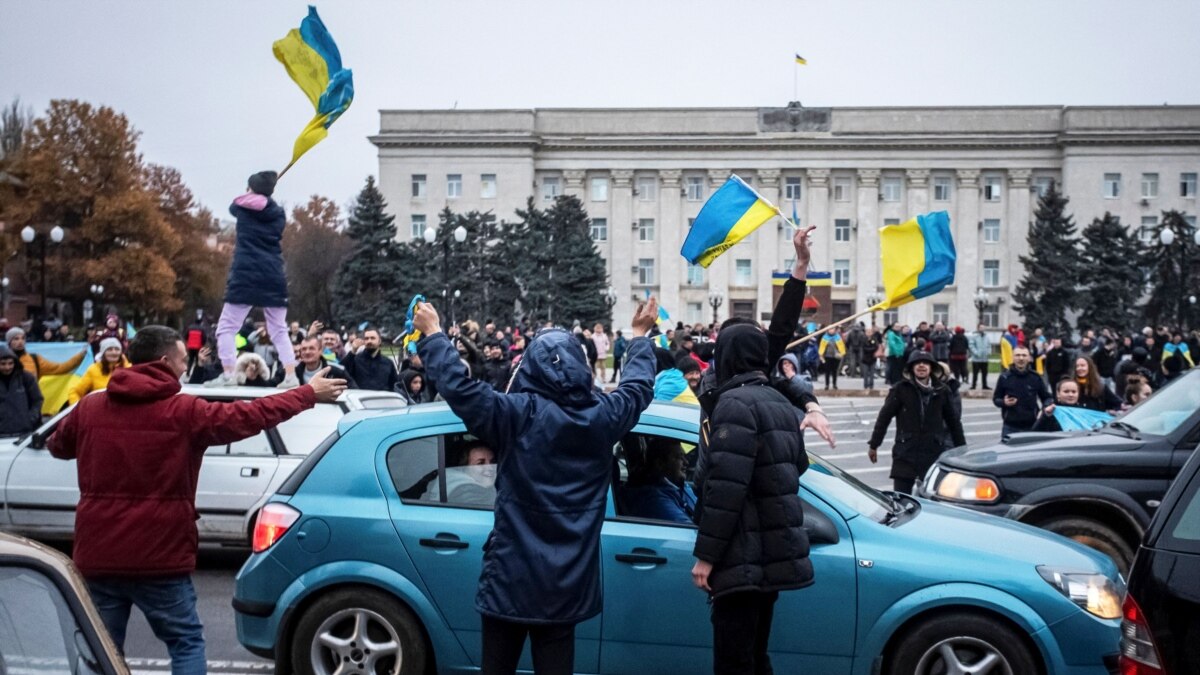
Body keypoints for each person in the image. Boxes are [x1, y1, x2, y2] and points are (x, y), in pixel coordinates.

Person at [47, 325, 346, 674]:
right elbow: (251, 415)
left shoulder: (92, 407)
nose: (185, 366)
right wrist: (307, 394)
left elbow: (58, 445)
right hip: (161, 555)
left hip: (98, 553)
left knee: (99, 648)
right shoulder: (185, 412)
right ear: (163, 361)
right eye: (181, 358)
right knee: (185, 641)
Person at [411, 297, 658, 675]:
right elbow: (638, 388)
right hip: (566, 585)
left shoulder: (517, 415)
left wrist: (433, 335)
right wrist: (640, 336)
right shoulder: (603, 418)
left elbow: (461, 390)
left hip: (509, 577)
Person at [691, 313, 813, 675]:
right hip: (769, 554)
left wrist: (706, 557)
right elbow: (797, 464)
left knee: (734, 661)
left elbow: (725, 489)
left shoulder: (733, 405)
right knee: (756, 657)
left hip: (740, 554)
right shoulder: (777, 402)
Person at [207, 171, 300, 389]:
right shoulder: (278, 213)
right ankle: (290, 375)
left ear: (251, 188)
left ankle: (229, 374)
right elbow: (260, 204)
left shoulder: (242, 207)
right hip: (273, 274)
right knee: (278, 328)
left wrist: (251, 192)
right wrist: (263, 194)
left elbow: (233, 206)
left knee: (227, 327)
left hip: (245, 274)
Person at [867, 351, 966, 494]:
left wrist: (962, 450)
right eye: (917, 363)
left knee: (933, 497)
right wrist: (874, 444)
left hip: (932, 452)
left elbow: (954, 423)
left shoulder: (942, 391)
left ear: (931, 368)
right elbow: (884, 417)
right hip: (905, 452)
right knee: (900, 499)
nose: (921, 366)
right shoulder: (900, 389)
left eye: (925, 363)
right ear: (911, 368)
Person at [622, 437, 696, 524]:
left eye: (684, 456)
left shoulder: (679, 485)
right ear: (660, 464)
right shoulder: (654, 498)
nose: (686, 462)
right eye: (679, 457)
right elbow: (688, 528)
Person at [993, 346, 1053, 439]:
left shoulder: (1035, 377)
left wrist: (1044, 409)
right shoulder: (1004, 377)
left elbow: (1047, 397)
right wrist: (1004, 402)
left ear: (1029, 358)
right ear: (1013, 357)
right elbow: (996, 399)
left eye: (1024, 355)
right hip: (1010, 426)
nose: (1021, 358)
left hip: (1032, 426)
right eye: (1017, 355)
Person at [423, 443, 498, 507]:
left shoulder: (448, 480)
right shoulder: (467, 492)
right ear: (465, 468)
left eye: (493, 462)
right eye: (480, 463)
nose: (490, 467)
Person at [7, 326, 88, 384]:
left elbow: (59, 368)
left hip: (28, 404)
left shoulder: (34, 359)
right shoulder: (3, 359)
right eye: (16, 339)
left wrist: (80, 355)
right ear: (9, 342)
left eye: (23, 338)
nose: (20, 341)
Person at [69, 337, 129, 404]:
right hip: (101, 411)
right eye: (109, 349)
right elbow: (74, 392)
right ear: (103, 353)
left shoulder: (129, 368)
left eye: (117, 349)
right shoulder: (94, 369)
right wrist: (78, 409)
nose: (114, 352)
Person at [279, 336, 356, 388]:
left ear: (320, 351)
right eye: (304, 349)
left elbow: (354, 391)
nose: (307, 352)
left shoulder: (337, 371)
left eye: (311, 348)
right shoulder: (292, 371)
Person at [0, 344, 43, 438]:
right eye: (3, 364)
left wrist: (30, 419)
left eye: (10, 363)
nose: (7, 367)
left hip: (24, 434)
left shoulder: (26, 378)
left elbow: (37, 400)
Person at [340, 328, 398, 392]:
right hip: (359, 399)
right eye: (366, 338)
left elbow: (394, 385)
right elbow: (341, 372)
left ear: (379, 341)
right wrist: (353, 351)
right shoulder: (355, 360)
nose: (369, 341)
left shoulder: (388, 363)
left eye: (372, 338)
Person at [967, 324, 991, 390]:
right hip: (976, 359)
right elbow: (971, 345)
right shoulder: (974, 336)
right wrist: (976, 352)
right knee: (975, 373)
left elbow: (989, 345)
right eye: (981, 327)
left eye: (983, 327)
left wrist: (988, 352)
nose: (982, 329)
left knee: (985, 373)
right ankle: (973, 385)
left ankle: (985, 385)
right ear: (978, 328)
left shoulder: (987, 336)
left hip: (984, 359)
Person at [861, 325, 882, 390]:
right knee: (865, 373)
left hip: (873, 358)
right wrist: (871, 349)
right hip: (865, 358)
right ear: (865, 332)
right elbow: (863, 348)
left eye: (870, 332)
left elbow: (876, 347)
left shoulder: (874, 339)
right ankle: (865, 385)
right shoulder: (863, 339)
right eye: (868, 332)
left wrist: (871, 349)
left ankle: (871, 385)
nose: (869, 333)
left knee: (872, 373)